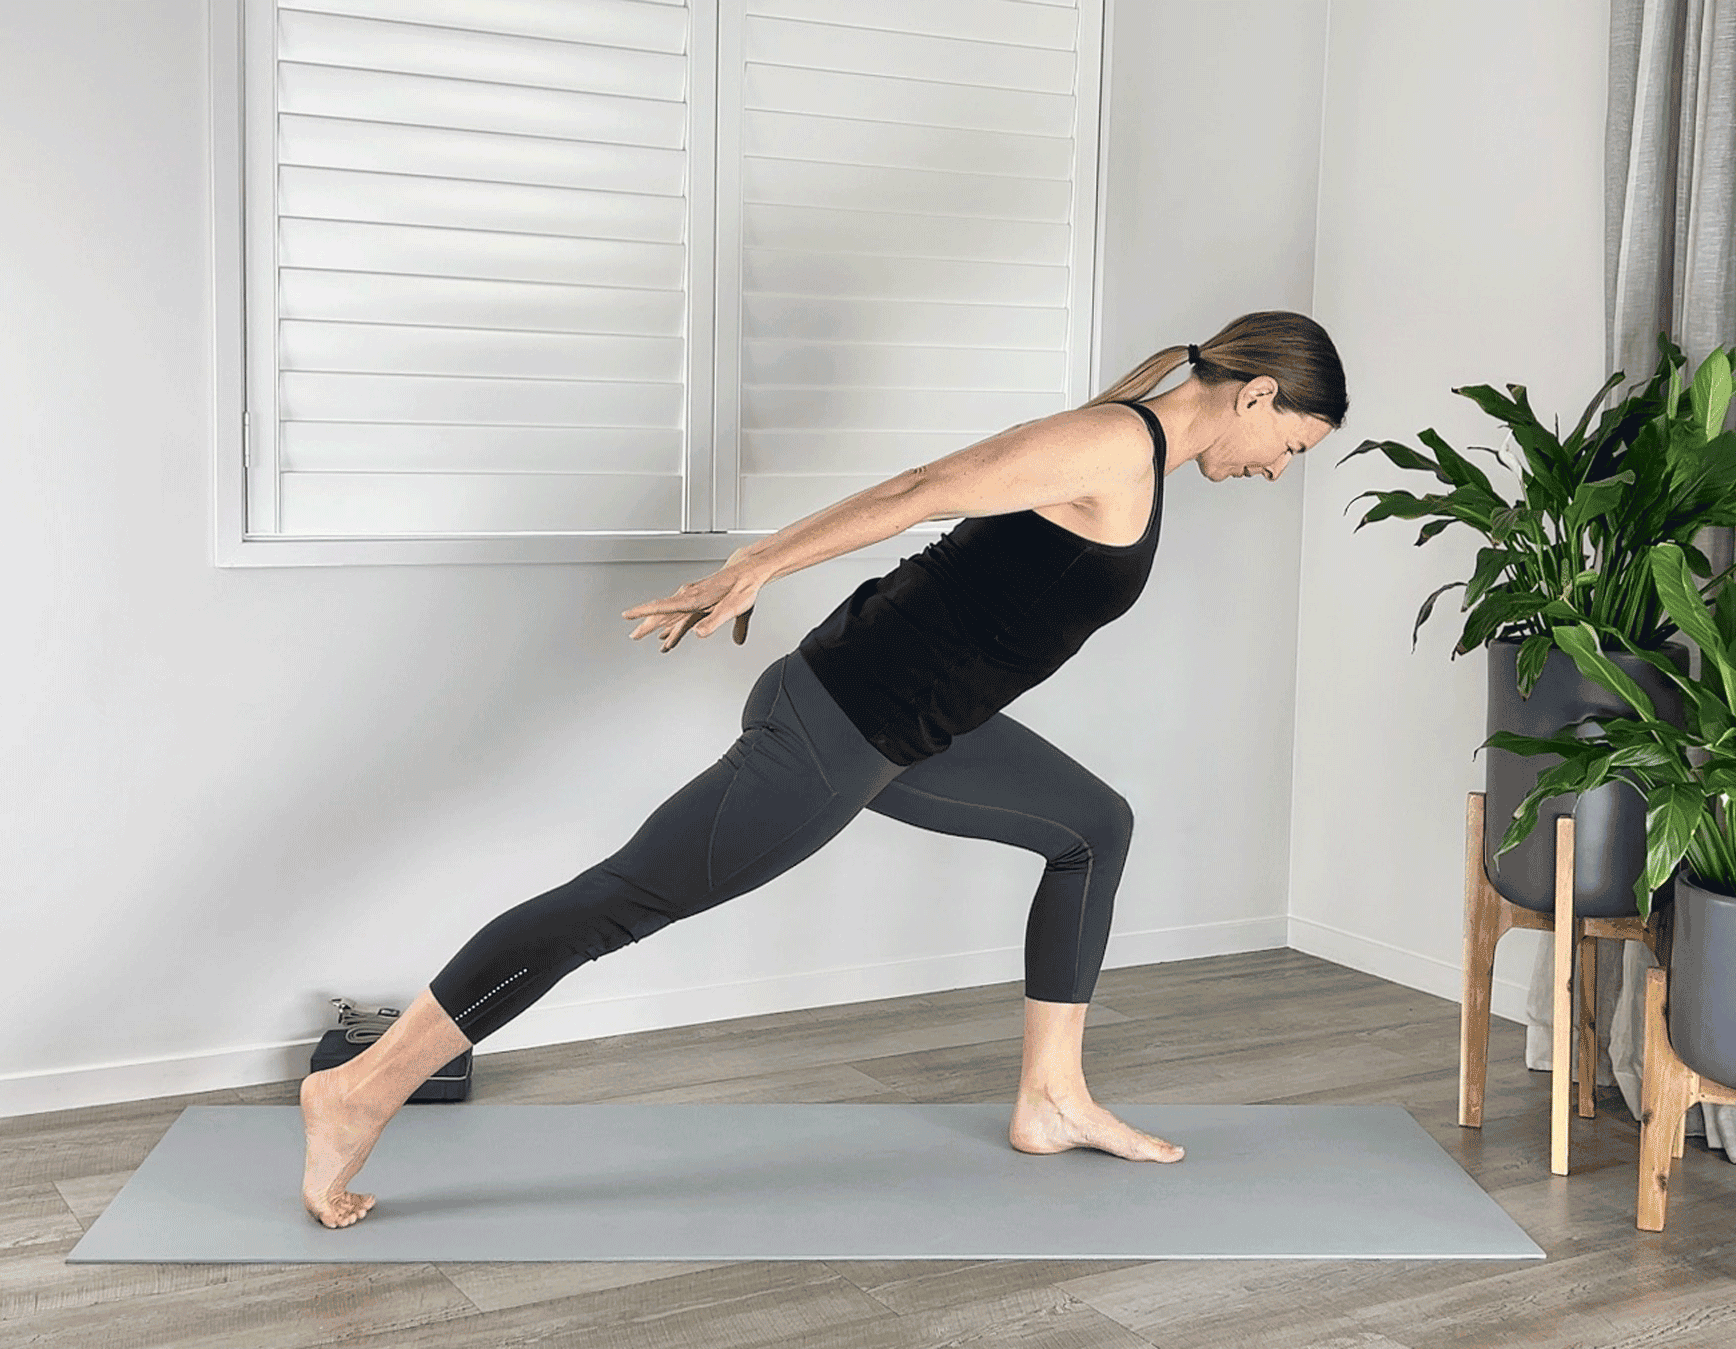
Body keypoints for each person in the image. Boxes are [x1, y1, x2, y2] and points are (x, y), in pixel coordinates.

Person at [298, 310, 1349, 1228]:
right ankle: (365, 1086)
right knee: (614, 902)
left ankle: (1052, 1098)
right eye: (1292, 444)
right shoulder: (1111, 444)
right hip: (838, 726)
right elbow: (921, 488)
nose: (1278, 467)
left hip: (913, 731)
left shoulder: (1133, 458)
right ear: (1255, 394)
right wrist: (753, 565)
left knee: (1091, 826)